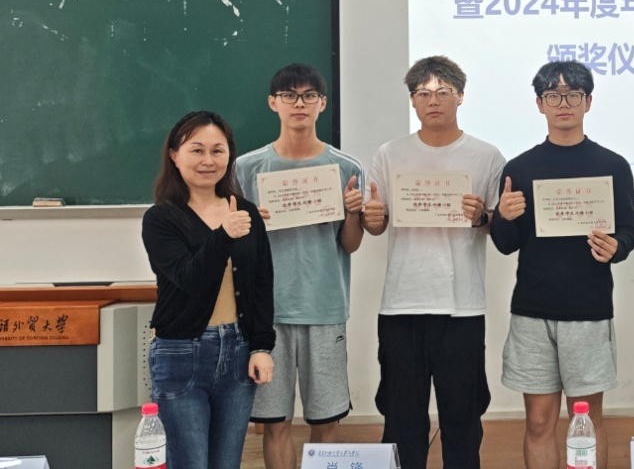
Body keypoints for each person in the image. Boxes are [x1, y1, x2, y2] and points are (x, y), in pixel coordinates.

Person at [490, 60, 634, 469]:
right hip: (532, 311)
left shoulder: (612, 166)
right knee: (538, 421)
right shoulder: (519, 168)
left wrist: (617, 246)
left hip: (587, 309)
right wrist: (502, 215)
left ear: (588, 102)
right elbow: (505, 244)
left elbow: (629, 230)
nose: (563, 103)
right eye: (553, 96)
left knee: (585, 421)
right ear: (540, 104)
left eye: (573, 94)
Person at [361, 56, 505, 469]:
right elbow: (376, 223)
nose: (433, 100)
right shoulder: (390, 154)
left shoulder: (486, 156)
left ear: (461, 96)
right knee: (402, 419)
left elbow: (498, 226)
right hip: (401, 305)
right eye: (423, 93)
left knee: (463, 419)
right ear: (412, 100)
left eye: (443, 91)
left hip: (462, 307)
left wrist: (480, 217)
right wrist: (372, 219)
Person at [234, 64, 366, 467]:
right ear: (273, 103)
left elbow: (350, 244)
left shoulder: (346, 168)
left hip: (325, 309)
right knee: (275, 423)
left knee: (326, 420)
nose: (299, 103)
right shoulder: (246, 169)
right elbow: (234, 245)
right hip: (267, 313)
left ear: (322, 104)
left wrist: (353, 213)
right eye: (289, 95)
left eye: (309, 95)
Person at [141, 111, 275, 469]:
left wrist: (261, 346)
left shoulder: (245, 212)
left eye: (218, 150)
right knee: (190, 463)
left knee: (226, 462)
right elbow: (189, 278)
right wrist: (224, 235)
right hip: (181, 352)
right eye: (197, 150)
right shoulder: (161, 218)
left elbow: (262, 284)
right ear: (174, 155)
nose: (208, 160)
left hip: (238, 349)